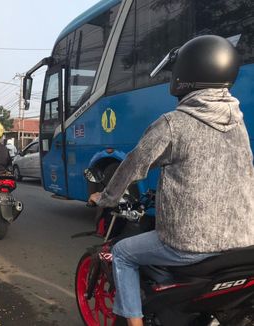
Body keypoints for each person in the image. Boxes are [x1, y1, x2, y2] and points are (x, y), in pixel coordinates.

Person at [88, 35, 254, 326]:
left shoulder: (173, 124)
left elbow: (130, 168)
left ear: (185, 74)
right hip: (244, 241)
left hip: (190, 244)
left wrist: (104, 198)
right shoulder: (237, 122)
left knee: (123, 253)